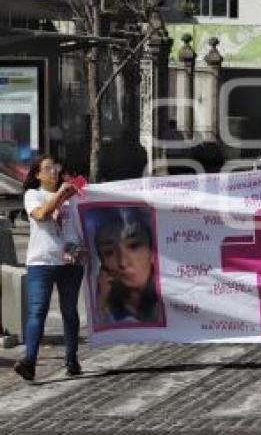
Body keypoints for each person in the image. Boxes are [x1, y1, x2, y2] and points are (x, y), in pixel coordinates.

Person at [14, 155, 83, 381]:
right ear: (37, 175)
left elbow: (81, 224)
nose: (53, 171)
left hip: (70, 264)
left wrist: (79, 248)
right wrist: (61, 193)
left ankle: (72, 358)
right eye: (47, 168)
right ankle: (29, 361)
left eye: (56, 167)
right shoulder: (33, 195)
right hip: (41, 263)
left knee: (70, 311)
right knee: (37, 311)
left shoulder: (73, 197)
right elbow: (42, 215)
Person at [89, 207, 161, 325]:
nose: (123, 262)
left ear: (152, 251)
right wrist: (101, 300)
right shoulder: (108, 313)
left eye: (134, 246)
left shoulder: (170, 304)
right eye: (109, 252)